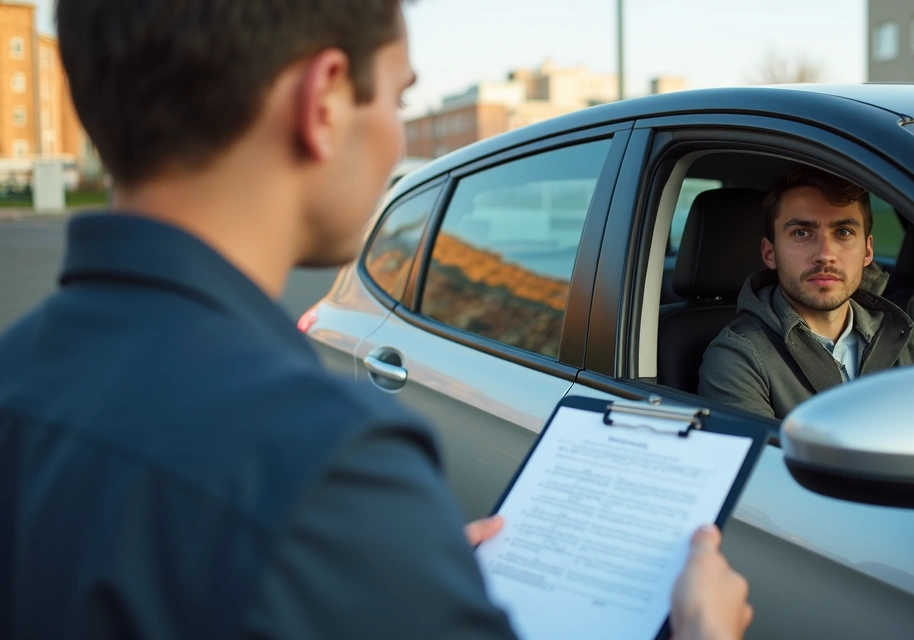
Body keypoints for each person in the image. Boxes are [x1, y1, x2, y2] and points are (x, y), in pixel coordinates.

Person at [0, 2, 752, 639]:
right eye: (398, 99)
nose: (398, 137)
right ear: (324, 101)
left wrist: (389, 566)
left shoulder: (18, 373)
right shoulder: (328, 462)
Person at [699, 167, 914, 419]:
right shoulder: (738, 357)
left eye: (843, 232)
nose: (825, 254)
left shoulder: (904, 337)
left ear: (867, 251)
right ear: (770, 253)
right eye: (801, 233)